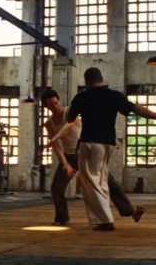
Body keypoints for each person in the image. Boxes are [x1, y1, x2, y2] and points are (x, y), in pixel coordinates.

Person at [67, 67, 156, 231]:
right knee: (99, 180)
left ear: (86, 81)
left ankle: (105, 220)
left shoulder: (81, 97)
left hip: (89, 143)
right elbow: (136, 109)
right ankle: (120, 213)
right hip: (106, 144)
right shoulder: (114, 96)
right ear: (101, 79)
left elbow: (69, 118)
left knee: (94, 182)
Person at [41, 89, 145, 226]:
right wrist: (65, 164)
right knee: (56, 187)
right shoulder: (49, 123)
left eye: (56, 103)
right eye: (51, 106)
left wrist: (56, 136)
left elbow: (70, 124)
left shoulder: (70, 113)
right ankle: (62, 217)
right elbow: (57, 147)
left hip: (86, 153)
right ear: (47, 107)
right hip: (70, 157)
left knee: (109, 182)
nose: (55, 107)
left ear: (59, 100)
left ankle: (130, 211)